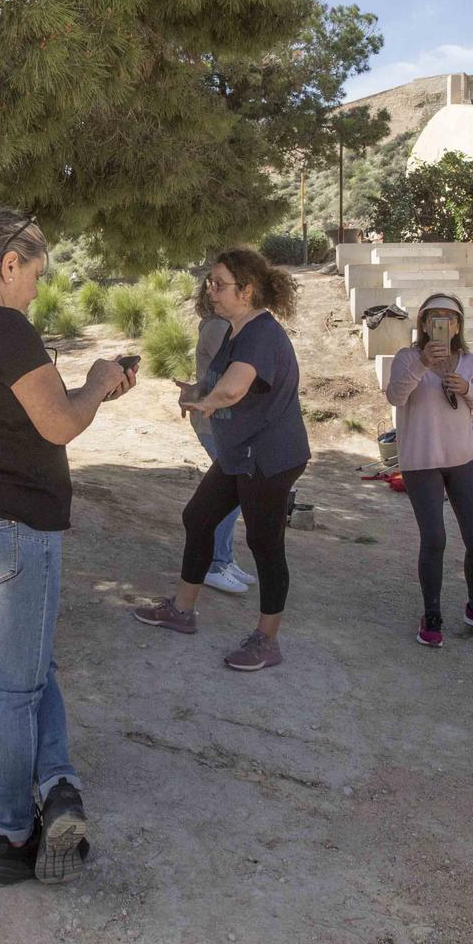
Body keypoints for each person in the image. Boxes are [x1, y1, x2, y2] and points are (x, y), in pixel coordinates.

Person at [0, 207, 137, 887]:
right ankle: (10, 835)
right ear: (9, 263)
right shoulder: (5, 328)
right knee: (15, 688)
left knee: (29, 670)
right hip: (12, 528)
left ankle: (60, 786)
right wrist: (99, 382)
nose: (37, 290)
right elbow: (61, 422)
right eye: (35, 274)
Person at [134, 248, 311, 669]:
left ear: (247, 290)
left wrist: (207, 402)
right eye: (209, 283)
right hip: (240, 452)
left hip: (268, 456)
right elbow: (228, 385)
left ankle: (267, 641)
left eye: (219, 284)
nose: (210, 291)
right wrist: (198, 391)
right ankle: (181, 610)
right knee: (198, 518)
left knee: (264, 543)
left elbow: (232, 390)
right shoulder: (236, 329)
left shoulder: (261, 333)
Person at [382, 294, 473, 648]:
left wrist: (468, 389)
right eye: (434, 317)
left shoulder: (470, 362)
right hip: (421, 460)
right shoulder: (407, 357)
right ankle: (432, 612)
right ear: (424, 324)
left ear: (458, 325)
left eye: (449, 317)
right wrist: (422, 364)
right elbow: (395, 396)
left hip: (462, 458)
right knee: (435, 539)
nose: (442, 323)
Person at [178, 281, 255, 596]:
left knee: (232, 492)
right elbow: (228, 378)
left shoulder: (224, 326)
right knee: (229, 493)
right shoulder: (219, 328)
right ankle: (214, 564)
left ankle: (223, 560)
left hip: (221, 421)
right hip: (216, 422)